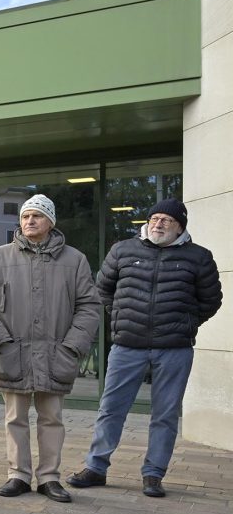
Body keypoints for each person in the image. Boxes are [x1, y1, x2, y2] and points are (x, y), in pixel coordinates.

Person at [67, 199, 222, 498]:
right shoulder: (122, 250)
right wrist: (123, 317)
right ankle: (96, 467)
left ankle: (153, 474)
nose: (158, 224)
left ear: (180, 227)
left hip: (174, 349)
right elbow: (103, 289)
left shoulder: (199, 257)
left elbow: (211, 300)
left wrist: (185, 323)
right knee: (111, 409)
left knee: (165, 414)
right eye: (154, 218)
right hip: (127, 345)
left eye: (166, 220)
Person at [0, 193, 99, 503]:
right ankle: (18, 474)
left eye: (37, 216)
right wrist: (0, 339)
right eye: (25, 216)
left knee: (51, 417)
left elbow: (90, 306)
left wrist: (72, 346)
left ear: (50, 222)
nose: (30, 221)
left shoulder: (74, 260)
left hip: (56, 354)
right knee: (15, 417)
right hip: (12, 353)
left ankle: (49, 477)